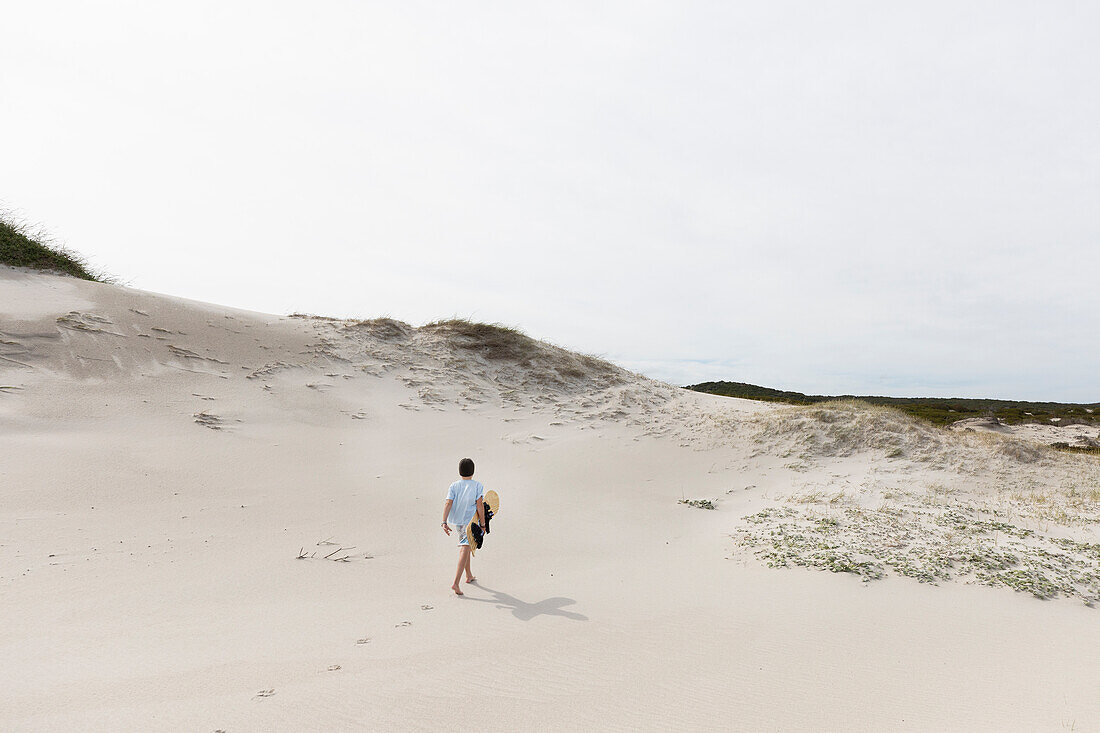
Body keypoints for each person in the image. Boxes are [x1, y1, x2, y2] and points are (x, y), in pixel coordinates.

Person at [441, 457, 485, 596]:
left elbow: (448, 503)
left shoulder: (454, 486)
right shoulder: (477, 485)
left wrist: (444, 521)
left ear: (459, 471)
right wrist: (483, 524)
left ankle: (469, 575)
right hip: (471, 522)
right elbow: (480, 506)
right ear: (473, 471)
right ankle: (456, 583)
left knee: (467, 546)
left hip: (459, 523)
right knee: (464, 548)